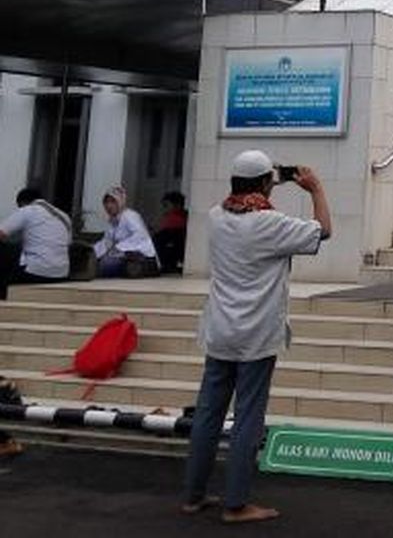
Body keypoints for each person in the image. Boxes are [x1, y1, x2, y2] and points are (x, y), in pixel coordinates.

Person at [183, 150, 331, 524]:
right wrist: (314, 188)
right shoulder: (271, 223)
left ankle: (193, 495)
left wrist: (270, 177)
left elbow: (247, 194)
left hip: (219, 330)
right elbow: (324, 230)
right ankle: (236, 503)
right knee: (248, 418)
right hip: (256, 334)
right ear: (266, 184)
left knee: (208, 414)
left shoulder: (217, 217)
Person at [0, 187, 70, 301]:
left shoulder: (28, 210)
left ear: (22, 203)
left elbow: (2, 233)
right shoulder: (64, 216)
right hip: (61, 274)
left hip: (35, 272)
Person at [93, 185, 159, 277]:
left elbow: (140, 235)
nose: (109, 206)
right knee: (96, 262)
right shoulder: (113, 221)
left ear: (120, 202)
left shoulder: (129, 216)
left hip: (142, 259)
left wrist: (119, 247)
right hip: (125, 258)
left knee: (105, 265)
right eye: (106, 202)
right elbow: (107, 242)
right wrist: (93, 252)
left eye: (113, 202)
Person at [154, 191, 189, 274]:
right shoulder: (183, 216)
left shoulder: (175, 218)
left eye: (166, 206)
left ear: (177, 205)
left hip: (173, 253)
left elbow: (160, 231)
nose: (164, 209)